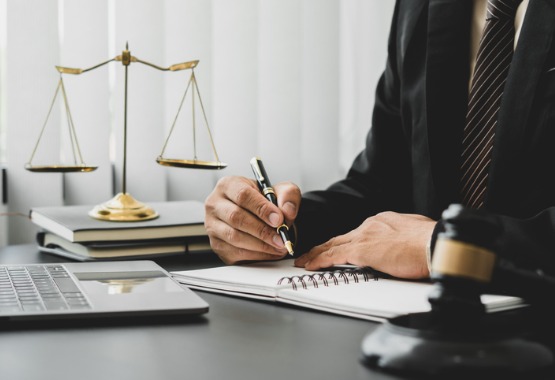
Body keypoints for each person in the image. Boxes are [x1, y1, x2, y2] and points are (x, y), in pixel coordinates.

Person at [204, 0, 555, 282]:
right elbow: (382, 183)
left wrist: (446, 245)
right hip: (424, 330)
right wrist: (278, 225)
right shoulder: (420, 8)